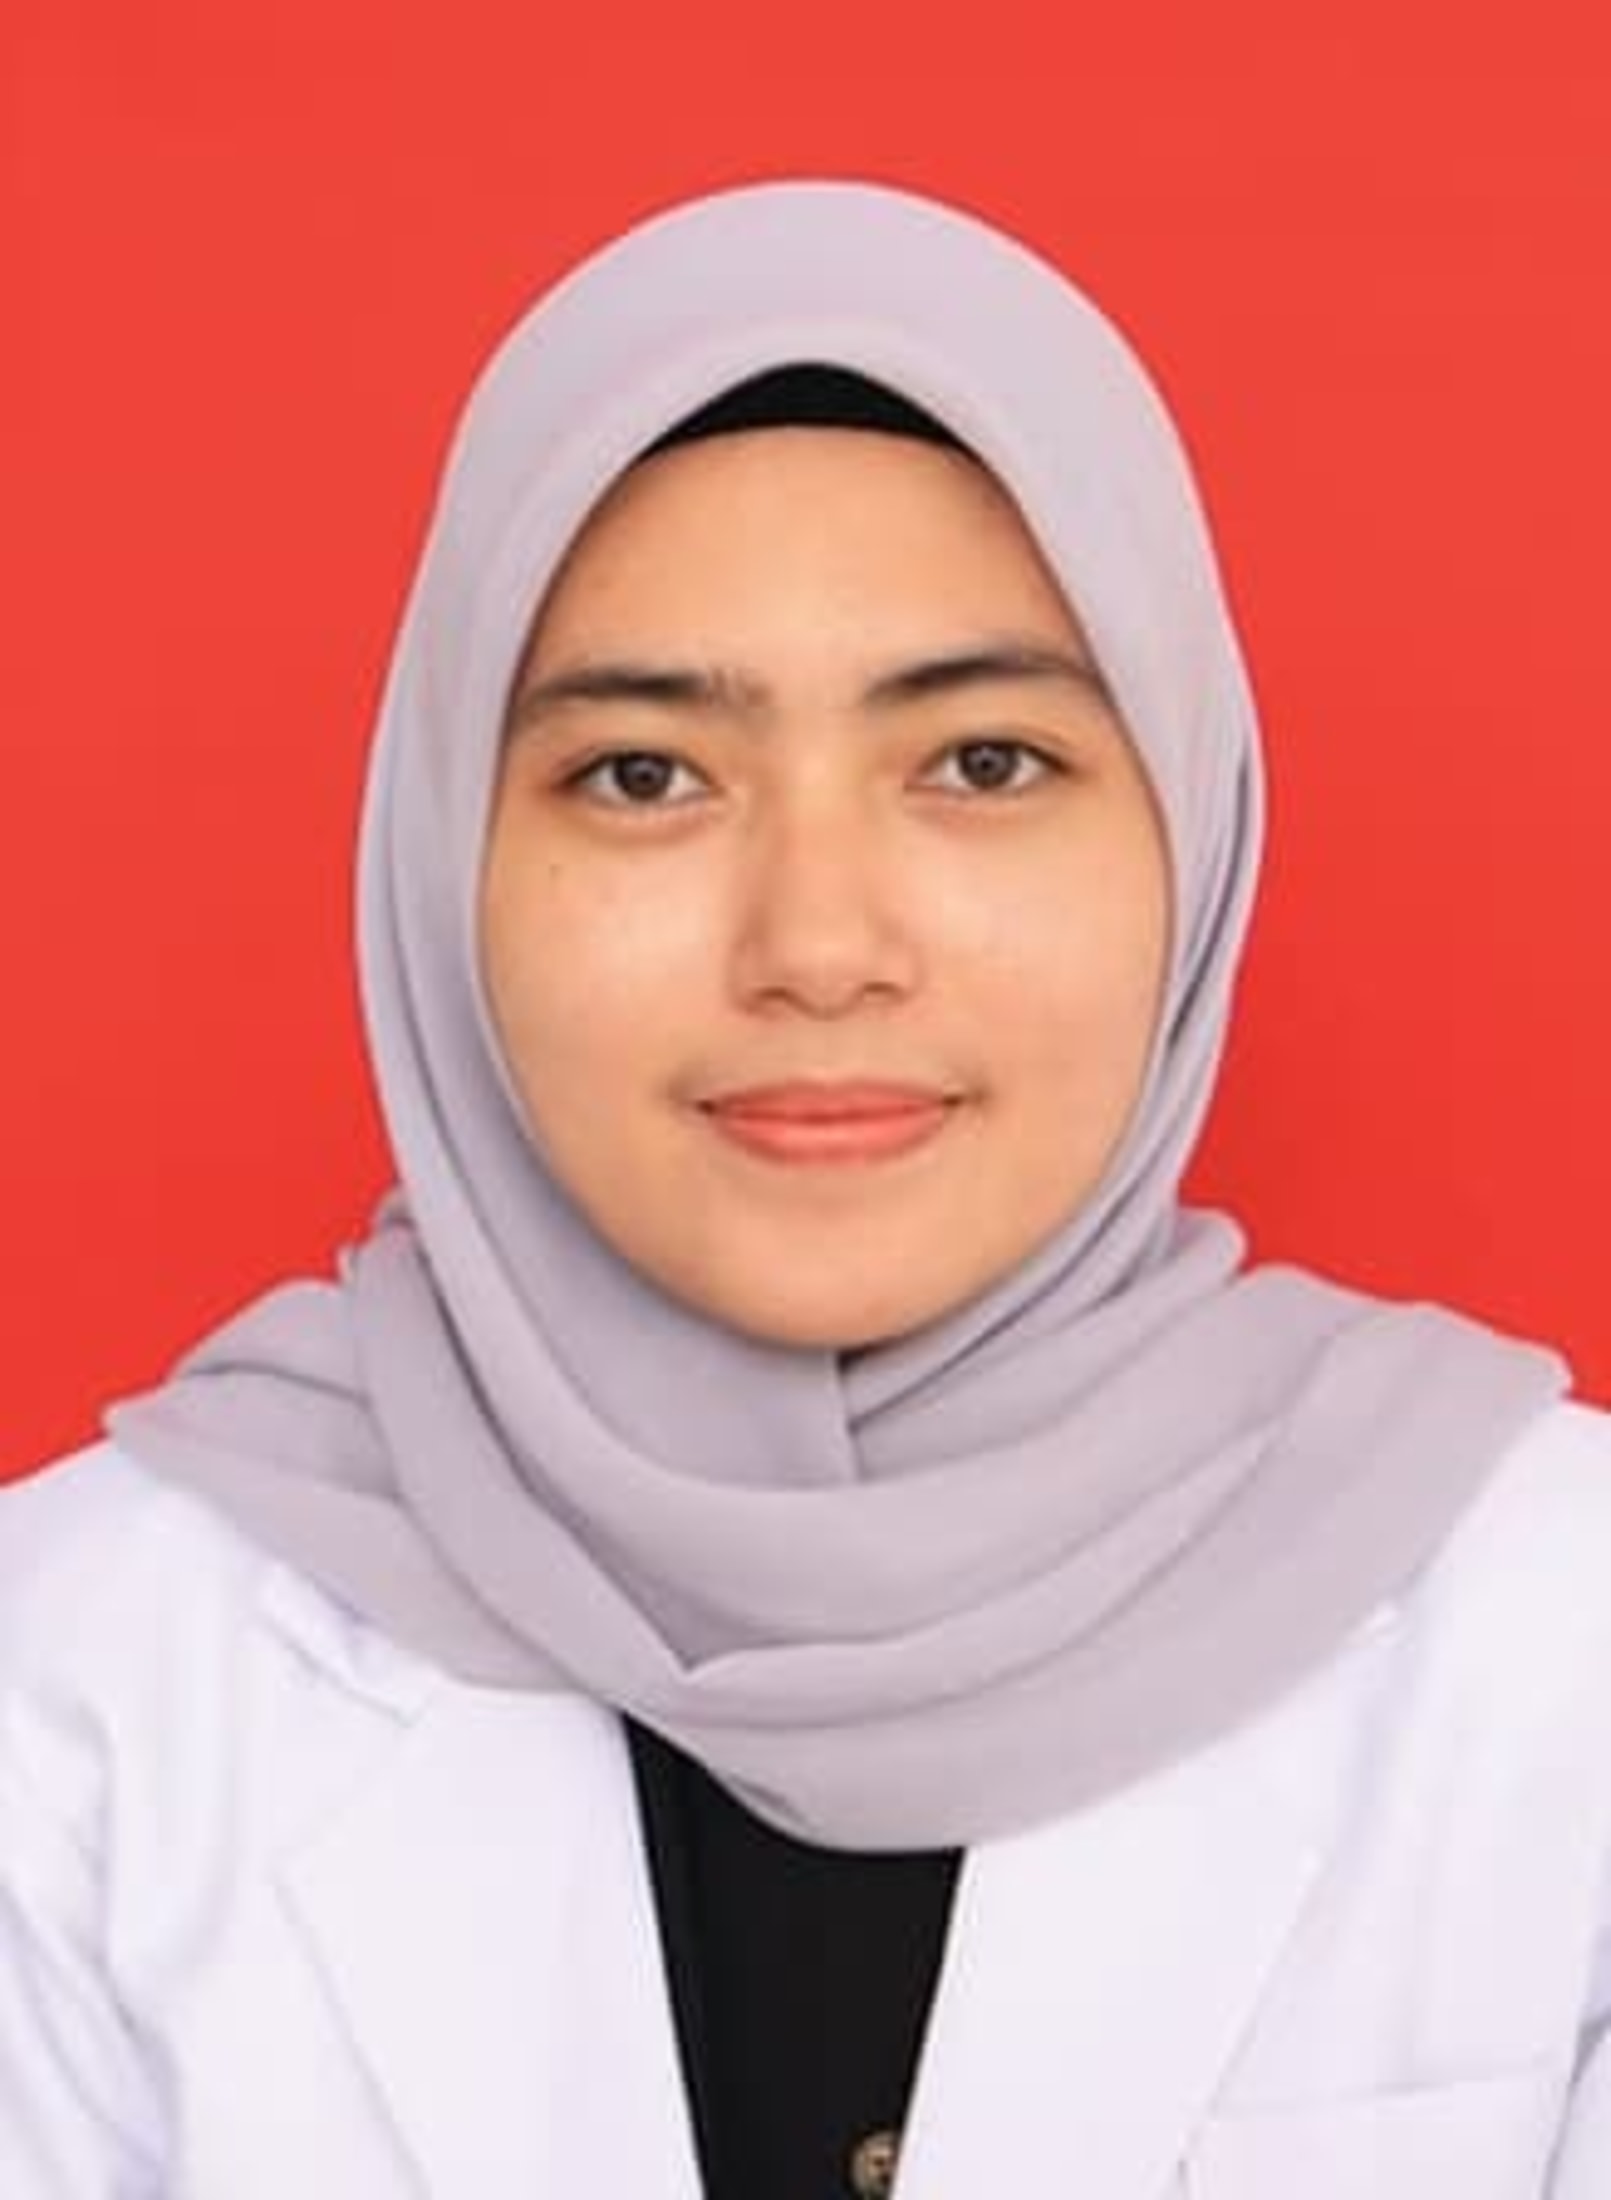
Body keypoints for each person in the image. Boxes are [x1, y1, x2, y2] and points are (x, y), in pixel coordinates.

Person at [1, 177, 1608, 2200]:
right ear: (441, 860)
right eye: (644, 776)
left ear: (1188, 833)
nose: (819, 944)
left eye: (983, 762)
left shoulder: (1565, 1634)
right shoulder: (72, 1689)